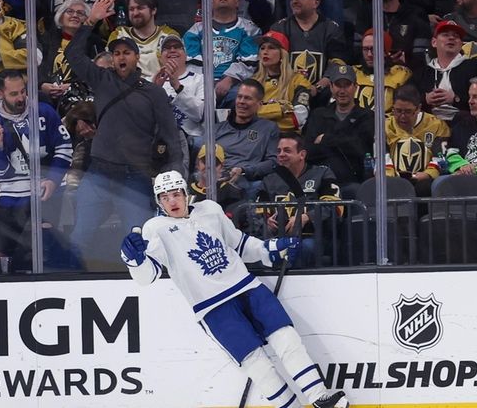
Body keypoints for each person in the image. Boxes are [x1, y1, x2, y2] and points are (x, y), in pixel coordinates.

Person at [119, 170, 350, 408]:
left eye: (176, 194)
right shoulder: (155, 228)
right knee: (257, 365)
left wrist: (271, 250)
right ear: (158, 201)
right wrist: (133, 260)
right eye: (165, 197)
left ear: (186, 193)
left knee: (287, 338)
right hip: (212, 307)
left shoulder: (210, 209)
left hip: (247, 287)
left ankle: (319, 397)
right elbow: (148, 276)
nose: (172, 201)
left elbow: (239, 244)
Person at [64, 0, 184, 268]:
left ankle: (145, 287)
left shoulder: (153, 93)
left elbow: (170, 138)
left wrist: (176, 180)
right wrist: (91, 20)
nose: (120, 57)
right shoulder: (102, 80)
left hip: (136, 177)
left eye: (126, 53)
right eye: (116, 53)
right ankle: (71, 287)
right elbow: (73, 54)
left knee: (140, 240)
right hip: (99, 173)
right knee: (80, 236)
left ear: (136, 57)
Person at [0, 70, 74, 272]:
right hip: (12, 200)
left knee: (45, 251)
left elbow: (65, 147)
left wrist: (53, 180)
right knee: (5, 254)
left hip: (47, 195)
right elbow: (1, 172)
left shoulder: (45, 113)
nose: (21, 98)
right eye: (13, 94)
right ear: (1, 94)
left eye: (23, 92)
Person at [258, 132, 342, 266]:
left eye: (287, 151)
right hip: (277, 238)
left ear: (302, 155)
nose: (281, 155)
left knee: (303, 248)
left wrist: (307, 217)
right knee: (258, 249)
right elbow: (257, 211)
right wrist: (266, 221)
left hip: (312, 236)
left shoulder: (322, 174)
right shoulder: (269, 180)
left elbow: (336, 206)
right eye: (279, 151)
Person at [270, 0, 348, 109]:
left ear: (315, 3)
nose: (294, 1)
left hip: (322, 94)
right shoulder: (279, 28)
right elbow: (271, 64)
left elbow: (337, 63)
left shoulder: (331, 29)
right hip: (284, 92)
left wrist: (317, 88)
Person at [184, 0, 260, 107]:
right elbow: (191, 60)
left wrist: (229, 80)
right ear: (211, 2)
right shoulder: (196, 29)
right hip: (200, 83)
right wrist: (203, 84)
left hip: (233, 85)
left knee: (241, 97)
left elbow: (249, 62)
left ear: (237, 2)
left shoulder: (249, 29)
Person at [304, 64, 375, 199]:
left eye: (346, 85)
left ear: (355, 87)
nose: (342, 91)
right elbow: (309, 151)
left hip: (353, 182)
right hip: (321, 183)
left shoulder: (366, 116)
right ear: (331, 87)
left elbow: (362, 149)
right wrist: (346, 141)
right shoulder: (319, 115)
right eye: (338, 85)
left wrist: (326, 139)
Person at [412, 20, 477, 123]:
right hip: (428, 125)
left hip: (466, 124)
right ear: (434, 42)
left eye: (456, 36)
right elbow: (407, 101)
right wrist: (426, 99)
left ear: (461, 44)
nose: (451, 38)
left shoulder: (476, 67)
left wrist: (456, 99)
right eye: (445, 35)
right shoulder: (423, 72)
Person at [215, 79, 280, 200]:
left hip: (245, 181)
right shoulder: (217, 129)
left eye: (248, 98)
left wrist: (244, 170)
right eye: (239, 97)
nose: (241, 102)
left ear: (259, 105)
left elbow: (273, 162)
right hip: (216, 179)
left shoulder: (268, 128)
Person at [152, 34, 205, 178]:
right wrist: (155, 90)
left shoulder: (200, 79)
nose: (172, 50)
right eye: (167, 48)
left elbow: (200, 114)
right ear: (160, 55)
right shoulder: (151, 81)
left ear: (185, 54)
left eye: (177, 47)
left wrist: (177, 85)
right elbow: (143, 118)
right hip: (158, 137)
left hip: (190, 138)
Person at [385, 84, 451, 197]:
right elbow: (381, 155)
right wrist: (391, 174)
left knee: (424, 188)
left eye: (408, 111)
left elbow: (440, 155)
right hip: (392, 175)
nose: (402, 116)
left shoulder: (436, 125)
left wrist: (428, 174)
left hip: (424, 176)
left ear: (418, 108)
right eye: (398, 111)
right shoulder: (385, 125)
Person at [38, 0, 104, 109]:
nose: (75, 15)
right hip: (49, 97)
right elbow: (37, 66)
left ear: (86, 20)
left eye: (80, 13)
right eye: (70, 11)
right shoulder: (47, 39)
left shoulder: (94, 42)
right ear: (61, 17)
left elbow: (99, 74)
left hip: (82, 99)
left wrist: (73, 87)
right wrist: (42, 85)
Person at [353, 0, 431, 69]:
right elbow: (357, 50)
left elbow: (421, 54)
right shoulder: (365, 13)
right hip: (372, 73)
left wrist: (406, 60)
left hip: (408, 74)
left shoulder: (416, 14)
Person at [107, 0, 179, 80]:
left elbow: (175, 71)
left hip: (161, 89)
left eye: (140, 8)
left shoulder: (169, 36)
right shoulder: (119, 34)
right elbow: (108, 67)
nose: (135, 13)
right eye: (131, 9)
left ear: (153, 10)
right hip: (125, 89)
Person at [252, 30, 312, 132]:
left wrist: (261, 113)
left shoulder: (299, 80)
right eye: (262, 48)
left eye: (271, 48)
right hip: (257, 137)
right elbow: (246, 114)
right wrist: (281, 109)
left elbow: (299, 117)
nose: (265, 52)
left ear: (282, 54)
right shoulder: (253, 83)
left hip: (287, 138)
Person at [352, 29, 411, 114]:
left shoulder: (401, 75)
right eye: (365, 49)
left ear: (386, 51)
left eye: (373, 49)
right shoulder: (352, 73)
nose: (369, 54)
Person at [188, 144, 244, 217]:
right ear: (198, 164)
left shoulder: (230, 192)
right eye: (205, 161)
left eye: (215, 163)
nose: (209, 166)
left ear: (221, 167)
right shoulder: (187, 190)